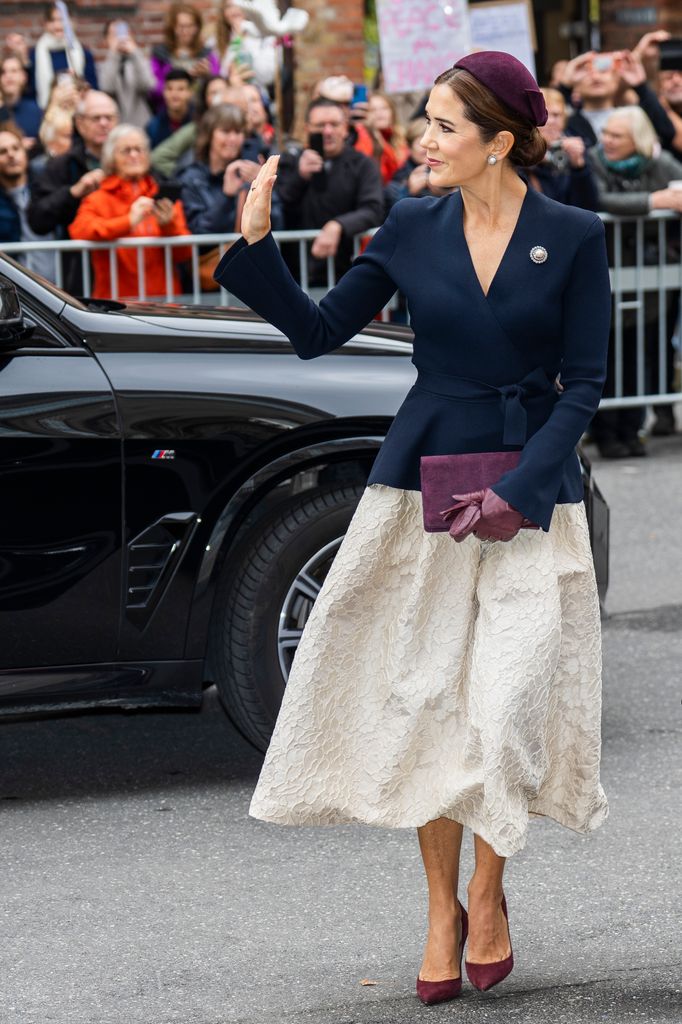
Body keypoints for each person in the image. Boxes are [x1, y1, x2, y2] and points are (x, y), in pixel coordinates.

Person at [214, 51, 611, 1004]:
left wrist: (523, 486)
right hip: (424, 488)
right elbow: (318, 332)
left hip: (532, 494)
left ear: (498, 143)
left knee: (506, 704)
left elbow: (587, 383)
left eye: (442, 126)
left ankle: (489, 891)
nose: (422, 141)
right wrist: (256, 244)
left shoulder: (573, 234)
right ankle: (442, 910)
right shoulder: (409, 225)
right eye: (424, 121)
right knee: (432, 699)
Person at [588, 106, 682, 452]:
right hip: (605, 272)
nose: (607, 141)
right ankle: (606, 433)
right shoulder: (594, 161)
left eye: (617, 135)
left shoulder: (659, 163)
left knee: (641, 353)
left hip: (648, 276)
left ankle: (632, 429)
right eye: (606, 133)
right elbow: (597, 199)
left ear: (638, 139)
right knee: (606, 355)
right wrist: (652, 201)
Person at [68, 124, 191, 300]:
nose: (134, 155)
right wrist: (128, 221)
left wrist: (168, 226)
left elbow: (185, 253)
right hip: (116, 302)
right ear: (111, 158)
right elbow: (79, 230)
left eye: (139, 149)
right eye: (126, 150)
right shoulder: (99, 198)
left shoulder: (161, 197)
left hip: (164, 300)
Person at [276, 96, 384, 284]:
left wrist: (338, 225)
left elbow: (373, 209)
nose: (327, 131)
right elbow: (278, 203)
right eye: (320, 125)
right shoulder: (290, 161)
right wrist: (300, 177)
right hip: (294, 273)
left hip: (344, 273)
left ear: (345, 128)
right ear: (307, 129)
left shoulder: (363, 164)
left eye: (334, 124)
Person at [28, 90, 119, 293]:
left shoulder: (133, 159)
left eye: (109, 117)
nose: (104, 123)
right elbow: (37, 218)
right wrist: (72, 192)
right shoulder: (61, 165)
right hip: (82, 275)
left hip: (131, 270)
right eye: (96, 118)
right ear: (79, 123)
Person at [179, 103, 282, 235]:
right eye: (226, 131)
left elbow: (278, 225)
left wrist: (263, 187)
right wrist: (226, 197)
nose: (233, 139)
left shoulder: (249, 173)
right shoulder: (192, 178)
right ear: (209, 135)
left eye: (238, 132)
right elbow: (200, 231)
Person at [557, 48, 674, 151]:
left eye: (603, 71)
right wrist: (565, 85)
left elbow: (667, 133)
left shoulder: (632, 117)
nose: (596, 77)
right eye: (587, 71)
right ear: (575, 82)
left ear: (617, 79)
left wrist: (641, 87)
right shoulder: (564, 121)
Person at [0, 124, 57, 282]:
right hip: (17, 288)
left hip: (58, 286)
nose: (11, 155)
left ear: (25, 152)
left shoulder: (47, 187)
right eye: (3, 151)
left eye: (16, 148)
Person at [527, 87, 599, 210]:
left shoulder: (577, 147)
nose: (550, 121)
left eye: (556, 115)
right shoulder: (518, 150)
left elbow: (589, 206)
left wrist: (579, 168)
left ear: (564, 118)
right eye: (543, 114)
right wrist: (535, 160)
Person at [149, 2, 220, 111]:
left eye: (190, 26)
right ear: (173, 28)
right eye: (181, 26)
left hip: (200, 110)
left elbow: (219, 83)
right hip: (169, 111)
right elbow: (153, 88)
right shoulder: (161, 54)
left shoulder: (207, 54)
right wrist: (179, 78)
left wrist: (208, 75)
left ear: (197, 27)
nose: (185, 31)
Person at [27, 3, 98, 109]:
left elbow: (93, 88)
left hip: (79, 109)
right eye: (52, 20)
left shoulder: (83, 53)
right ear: (45, 24)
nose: (57, 25)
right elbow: (30, 91)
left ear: (73, 22)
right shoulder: (35, 54)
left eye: (62, 20)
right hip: (46, 111)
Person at [208, 0, 278, 91]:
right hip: (230, 91)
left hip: (257, 91)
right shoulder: (214, 41)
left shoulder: (262, 35)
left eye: (239, 5)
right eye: (229, 7)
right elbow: (218, 73)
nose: (234, 11)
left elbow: (264, 74)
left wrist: (245, 35)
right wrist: (238, 38)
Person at [384, 118, 452, 210]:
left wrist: (446, 192)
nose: (428, 148)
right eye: (421, 143)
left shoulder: (452, 174)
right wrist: (408, 192)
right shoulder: (396, 183)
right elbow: (391, 215)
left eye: (434, 143)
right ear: (409, 147)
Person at [98, 20, 155, 129]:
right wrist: (114, 54)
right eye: (115, 35)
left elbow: (148, 85)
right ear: (106, 40)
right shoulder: (104, 65)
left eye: (125, 34)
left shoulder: (139, 62)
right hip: (114, 126)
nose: (121, 39)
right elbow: (107, 88)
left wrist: (135, 53)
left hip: (142, 124)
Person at [355, 91, 408, 185]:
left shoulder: (399, 136)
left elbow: (398, 169)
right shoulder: (360, 136)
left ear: (392, 112)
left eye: (384, 108)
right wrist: (373, 133)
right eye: (373, 110)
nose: (379, 113)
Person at [0, 55, 43, 147]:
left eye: (14, 71)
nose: (8, 76)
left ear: (24, 77)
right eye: (3, 72)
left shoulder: (35, 111)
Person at [146, 68, 194, 148]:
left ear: (190, 93)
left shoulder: (199, 122)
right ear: (163, 92)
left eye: (180, 89)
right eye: (169, 89)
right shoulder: (153, 127)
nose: (174, 94)